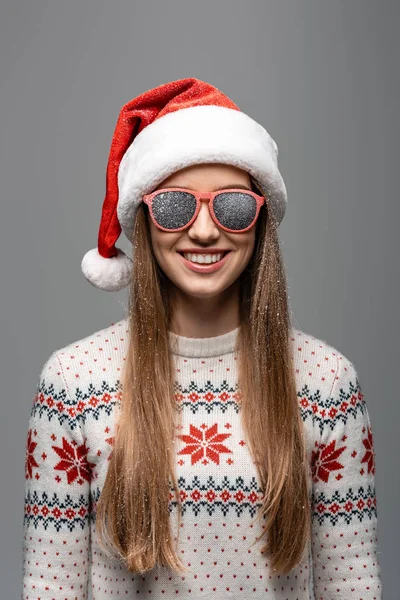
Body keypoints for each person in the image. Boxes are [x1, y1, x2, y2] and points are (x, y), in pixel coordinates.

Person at [21, 78, 382, 599]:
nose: (206, 231)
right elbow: (49, 586)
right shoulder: (72, 385)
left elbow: (353, 585)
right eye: (175, 206)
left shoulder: (328, 386)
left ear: (260, 219)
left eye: (231, 206)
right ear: (144, 217)